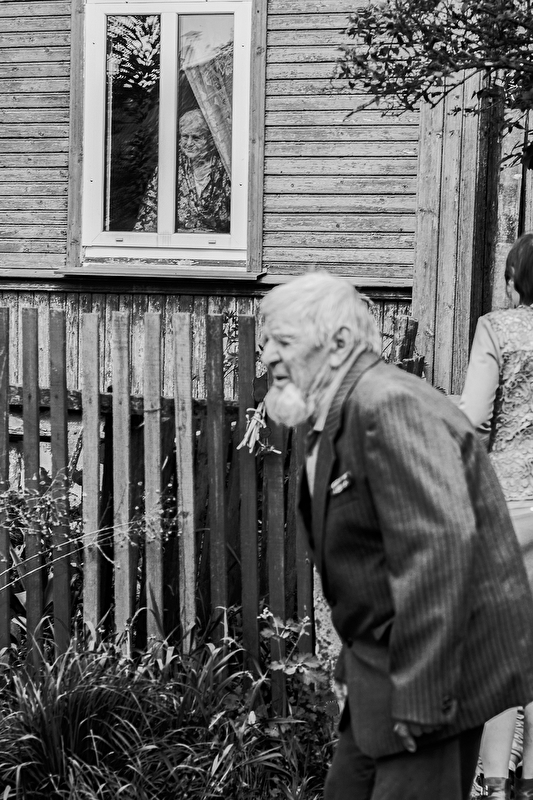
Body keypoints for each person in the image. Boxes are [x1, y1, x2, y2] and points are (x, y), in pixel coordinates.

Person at [259, 270, 533, 800]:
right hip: (382, 676)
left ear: (339, 342)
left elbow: (442, 552)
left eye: (283, 341)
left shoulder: (388, 407)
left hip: (429, 684)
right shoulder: (340, 413)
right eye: (267, 341)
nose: (268, 355)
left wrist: (422, 701)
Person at [460, 232, 533, 800]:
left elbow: (475, 418)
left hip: (512, 503)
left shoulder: (497, 329)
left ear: (514, 281)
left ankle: (496, 784)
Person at [135, 108, 230, 233]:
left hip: (216, 242)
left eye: (196, 138)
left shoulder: (224, 167)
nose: (189, 143)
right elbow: (151, 207)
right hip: (177, 240)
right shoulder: (172, 164)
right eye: (185, 136)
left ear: (210, 140)